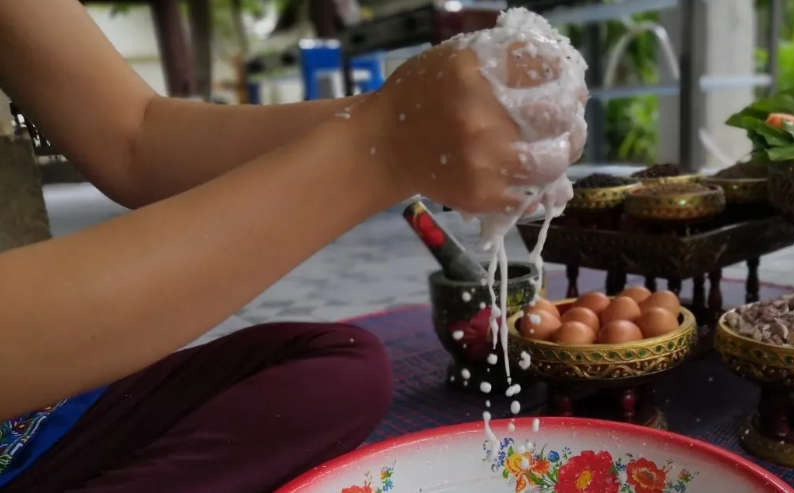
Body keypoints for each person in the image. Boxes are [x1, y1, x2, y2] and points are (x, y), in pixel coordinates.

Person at [0, 1, 580, 492]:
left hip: (47, 413)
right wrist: (379, 150)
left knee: (339, 372)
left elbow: (135, 134)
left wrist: (418, 125)